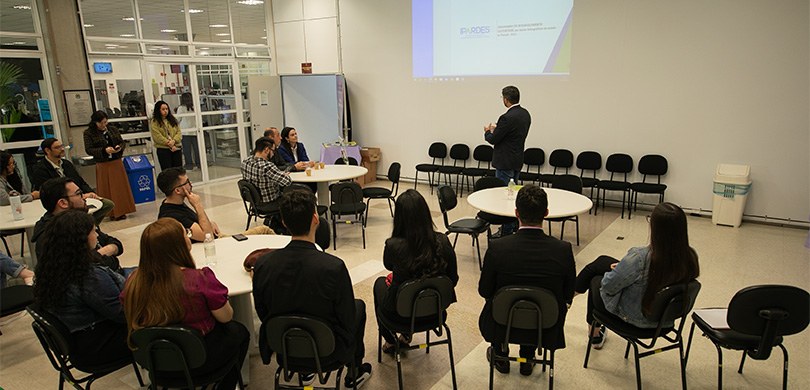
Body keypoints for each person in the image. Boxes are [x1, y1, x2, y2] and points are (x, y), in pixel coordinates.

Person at [252, 187, 372, 388]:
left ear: (283, 222)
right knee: (358, 307)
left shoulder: (263, 265)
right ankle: (354, 371)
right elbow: (347, 317)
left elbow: (262, 311)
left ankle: (304, 370)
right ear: (316, 218)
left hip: (284, 347)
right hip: (328, 350)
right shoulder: (333, 267)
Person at [121, 218, 249, 389]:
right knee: (239, 331)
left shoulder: (133, 283)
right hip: (201, 360)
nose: (189, 237)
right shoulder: (199, 279)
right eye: (186, 234)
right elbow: (226, 317)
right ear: (179, 245)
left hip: (156, 361)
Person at [478, 185, 575, 376]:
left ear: (516, 213)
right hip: (545, 326)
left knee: (496, 300)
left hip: (502, 323)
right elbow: (567, 293)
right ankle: (527, 359)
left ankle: (500, 354)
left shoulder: (498, 248)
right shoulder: (563, 249)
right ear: (546, 213)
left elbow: (485, 291)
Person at [574, 202, 700, 349]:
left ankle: (593, 333)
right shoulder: (689, 256)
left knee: (596, 279)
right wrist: (622, 268)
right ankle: (569, 299)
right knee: (602, 262)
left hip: (636, 320)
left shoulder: (640, 258)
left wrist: (617, 272)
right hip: (664, 321)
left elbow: (608, 286)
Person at [32, 209, 130, 368]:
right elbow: (124, 314)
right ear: (81, 239)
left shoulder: (50, 267)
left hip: (79, 342)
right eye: (93, 231)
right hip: (100, 347)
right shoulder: (88, 276)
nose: (97, 235)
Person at [373, 189, 458, 353]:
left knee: (379, 284)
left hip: (399, 316)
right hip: (435, 312)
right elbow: (452, 279)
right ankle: (404, 337)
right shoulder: (444, 241)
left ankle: (390, 340)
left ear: (398, 218)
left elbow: (389, 266)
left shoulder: (393, 245)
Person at [31, 177, 126, 275]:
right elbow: (80, 269)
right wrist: (104, 253)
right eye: (79, 194)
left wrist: (107, 250)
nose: (84, 197)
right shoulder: (52, 237)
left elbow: (115, 243)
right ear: (63, 203)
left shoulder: (78, 221)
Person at [156, 167, 273, 242]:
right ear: (177, 190)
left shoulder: (175, 204)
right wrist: (197, 205)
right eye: (186, 182)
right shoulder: (172, 216)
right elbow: (207, 236)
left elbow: (201, 224)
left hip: (217, 237)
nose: (190, 184)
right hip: (215, 244)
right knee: (264, 230)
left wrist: (210, 223)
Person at [29, 138, 114, 225]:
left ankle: (87, 227)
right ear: (47, 150)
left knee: (108, 204)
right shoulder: (40, 169)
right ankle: (85, 227)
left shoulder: (66, 164)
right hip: (61, 203)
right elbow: (49, 193)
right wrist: (81, 196)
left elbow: (80, 181)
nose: (62, 149)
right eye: (57, 147)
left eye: (62, 146)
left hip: (78, 197)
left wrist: (92, 193)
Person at [483, 85, 531, 235]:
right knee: (514, 196)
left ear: (506, 99)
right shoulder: (525, 114)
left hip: (504, 162)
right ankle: (515, 225)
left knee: (505, 196)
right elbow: (513, 134)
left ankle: (507, 229)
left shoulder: (506, 117)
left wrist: (488, 132)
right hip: (517, 159)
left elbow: (494, 139)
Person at [83, 110, 136, 220]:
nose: (104, 125)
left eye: (105, 122)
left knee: (120, 187)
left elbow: (121, 142)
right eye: (101, 123)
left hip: (116, 162)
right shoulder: (88, 133)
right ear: (95, 122)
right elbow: (89, 149)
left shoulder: (112, 129)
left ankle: (122, 210)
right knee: (106, 187)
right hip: (103, 163)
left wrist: (119, 148)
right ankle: (109, 212)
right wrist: (104, 150)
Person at [241, 137, 292, 204]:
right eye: (273, 151)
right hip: (270, 202)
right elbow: (287, 182)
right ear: (267, 150)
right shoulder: (267, 166)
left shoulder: (245, 162)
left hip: (254, 203)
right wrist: (285, 174)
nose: (273, 154)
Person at [150, 100, 183, 170]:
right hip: (164, 149)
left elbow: (179, 132)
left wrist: (174, 141)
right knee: (168, 171)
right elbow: (157, 136)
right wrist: (168, 143)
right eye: (163, 109)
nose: (165, 111)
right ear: (158, 110)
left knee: (178, 170)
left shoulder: (172, 120)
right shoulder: (155, 122)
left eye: (167, 109)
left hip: (176, 148)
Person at [176, 92, 200, 171]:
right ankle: (199, 163)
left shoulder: (181, 108)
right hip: (195, 131)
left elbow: (178, 120)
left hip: (185, 132)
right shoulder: (195, 107)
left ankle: (189, 164)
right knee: (197, 149)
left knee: (187, 150)